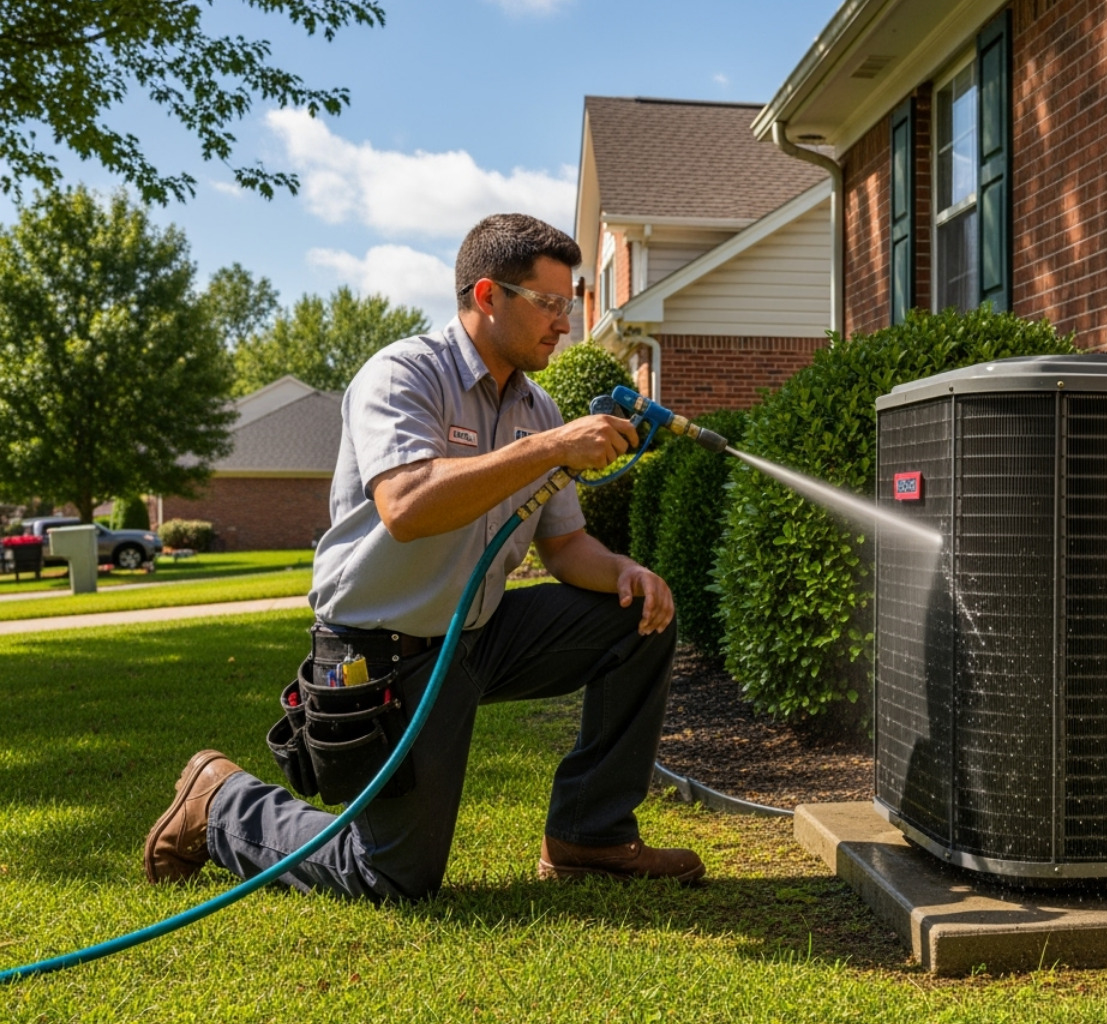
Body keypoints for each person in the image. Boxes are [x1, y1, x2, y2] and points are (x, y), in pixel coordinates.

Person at [143, 213, 702, 899]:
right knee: (390, 877)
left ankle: (590, 834)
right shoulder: (402, 375)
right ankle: (219, 802)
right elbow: (406, 506)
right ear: (489, 295)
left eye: (568, 304)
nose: (565, 323)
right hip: (381, 650)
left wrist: (624, 571)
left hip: (480, 634)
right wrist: (550, 449)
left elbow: (564, 545)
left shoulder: (539, 406)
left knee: (636, 618)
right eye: (550, 304)